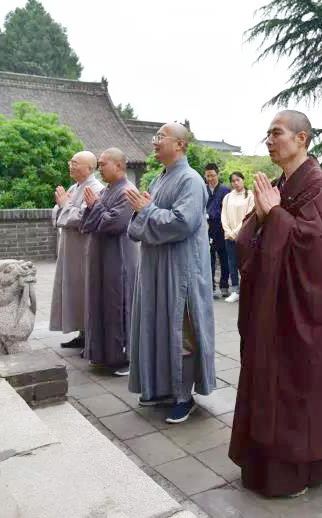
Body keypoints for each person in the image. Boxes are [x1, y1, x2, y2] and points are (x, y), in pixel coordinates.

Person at [229, 110, 322, 498]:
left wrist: (274, 214)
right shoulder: (278, 184)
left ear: (303, 139)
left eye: (276, 133)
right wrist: (262, 217)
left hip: (301, 308)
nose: (269, 140)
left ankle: (296, 469)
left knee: (295, 386)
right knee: (265, 379)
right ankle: (261, 461)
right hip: (269, 308)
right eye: (267, 134)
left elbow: (314, 249)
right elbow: (247, 241)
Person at [126, 122, 215, 424]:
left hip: (181, 269)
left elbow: (182, 223)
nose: (154, 142)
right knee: (158, 326)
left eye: (160, 137)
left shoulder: (191, 180)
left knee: (181, 333)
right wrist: (143, 212)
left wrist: (147, 211)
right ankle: (162, 388)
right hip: (156, 267)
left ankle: (183, 397)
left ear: (179, 145)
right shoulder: (157, 179)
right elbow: (140, 221)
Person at [79, 148, 139, 375]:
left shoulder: (128, 192)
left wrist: (96, 207)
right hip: (101, 257)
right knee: (100, 303)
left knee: (117, 304)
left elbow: (115, 224)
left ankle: (122, 358)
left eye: (103, 164)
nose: (99, 168)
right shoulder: (106, 191)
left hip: (118, 258)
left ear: (118, 166)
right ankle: (102, 353)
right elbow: (87, 223)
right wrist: (95, 209)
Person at [51, 151, 104, 348]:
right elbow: (59, 212)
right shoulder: (75, 187)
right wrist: (62, 205)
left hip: (84, 249)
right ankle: (82, 333)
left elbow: (85, 217)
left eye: (75, 163)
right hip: (70, 248)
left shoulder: (96, 188)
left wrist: (64, 204)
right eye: (70, 162)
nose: (71, 166)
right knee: (74, 291)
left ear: (90, 168)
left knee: (84, 291)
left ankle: (89, 335)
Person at [220, 171, 255, 303]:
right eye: (233, 181)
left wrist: (235, 232)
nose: (236, 183)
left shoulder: (250, 196)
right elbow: (223, 216)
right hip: (229, 236)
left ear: (243, 180)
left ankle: (246, 290)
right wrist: (228, 231)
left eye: (238, 180)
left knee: (245, 264)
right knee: (232, 263)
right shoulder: (228, 197)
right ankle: (235, 290)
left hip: (244, 235)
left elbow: (249, 216)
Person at [205, 163, 231, 299]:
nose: (210, 178)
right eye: (208, 176)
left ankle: (225, 285)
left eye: (213, 175)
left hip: (222, 228)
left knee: (224, 258)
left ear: (218, 175)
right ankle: (211, 288)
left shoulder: (226, 190)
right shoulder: (202, 189)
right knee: (209, 259)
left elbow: (229, 209)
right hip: (207, 228)